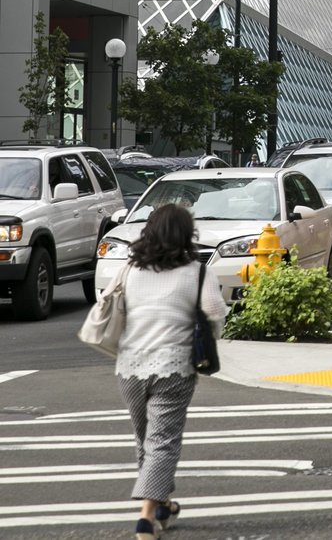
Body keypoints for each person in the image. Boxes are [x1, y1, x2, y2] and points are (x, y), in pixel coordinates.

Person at [116, 203, 226, 540]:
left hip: (130, 367)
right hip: (173, 367)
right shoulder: (198, 272)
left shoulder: (131, 268)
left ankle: (163, 503)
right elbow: (214, 313)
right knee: (162, 442)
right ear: (186, 235)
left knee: (145, 439)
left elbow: (111, 302)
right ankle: (146, 517)